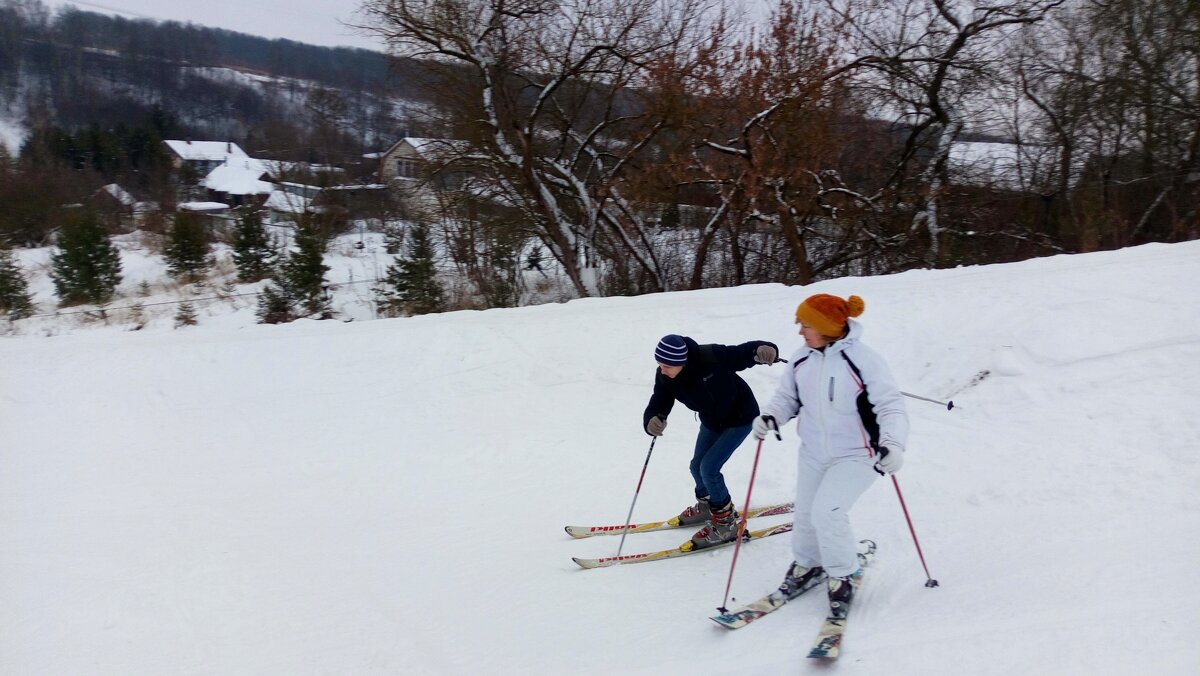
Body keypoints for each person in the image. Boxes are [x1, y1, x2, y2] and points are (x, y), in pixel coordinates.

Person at [751, 294, 908, 617]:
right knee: (807, 514)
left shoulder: (864, 361)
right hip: (813, 453)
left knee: (828, 511)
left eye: (805, 325)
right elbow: (787, 398)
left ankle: (842, 574)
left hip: (858, 455)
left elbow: (891, 406)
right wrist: (771, 416)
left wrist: (893, 444)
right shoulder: (801, 359)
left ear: (825, 327)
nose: (800, 332)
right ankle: (808, 564)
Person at [643, 334, 779, 550]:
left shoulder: (711, 356)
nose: (662, 370)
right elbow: (660, 399)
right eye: (659, 364)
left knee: (710, 468)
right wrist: (654, 417)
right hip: (712, 420)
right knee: (696, 466)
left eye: (667, 365)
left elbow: (742, 353)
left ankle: (726, 524)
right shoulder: (666, 375)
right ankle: (708, 506)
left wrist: (764, 349)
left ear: (682, 362)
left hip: (740, 417)